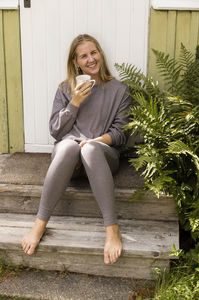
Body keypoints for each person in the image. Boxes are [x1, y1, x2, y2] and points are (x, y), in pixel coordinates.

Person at [22, 34, 132, 264]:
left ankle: (112, 229)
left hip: (101, 156)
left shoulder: (120, 90)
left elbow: (121, 134)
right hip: (68, 160)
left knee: (89, 150)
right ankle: (40, 224)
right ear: (75, 62)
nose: (91, 59)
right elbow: (55, 130)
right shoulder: (65, 89)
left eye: (94, 52)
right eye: (84, 56)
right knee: (68, 148)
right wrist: (74, 103)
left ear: (100, 53)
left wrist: (95, 141)